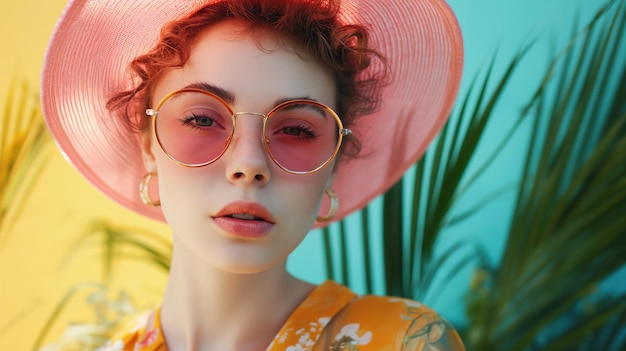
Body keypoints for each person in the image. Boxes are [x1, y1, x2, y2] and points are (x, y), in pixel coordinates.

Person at [41, 0, 465, 349]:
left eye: (298, 129)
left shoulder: (408, 340)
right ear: (148, 144)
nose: (249, 164)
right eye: (202, 120)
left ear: (333, 163)